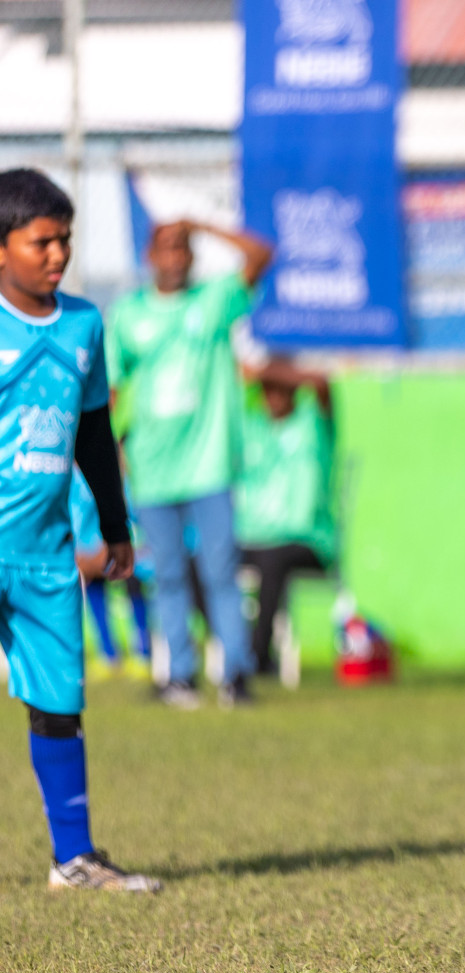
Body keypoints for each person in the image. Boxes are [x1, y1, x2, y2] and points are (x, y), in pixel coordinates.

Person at [0, 168, 160, 891]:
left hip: (44, 557)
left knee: (60, 704)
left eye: (65, 239)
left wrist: (117, 524)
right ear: (2, 248)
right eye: (42, 242)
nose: (58, 253)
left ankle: (76, 860)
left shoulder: (84, 325)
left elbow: (93, 433)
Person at [107, 219, 273, 707]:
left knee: (221, 572)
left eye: (184, 249)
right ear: (149, 256)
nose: (175, 258)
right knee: (168, 576)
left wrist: (201, 224)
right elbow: (112, 388)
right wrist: (108, 452)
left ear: (193, 258)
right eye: (166, 249)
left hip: (209, 465)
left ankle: (235, 675)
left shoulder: (214, 301)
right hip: (153, 468)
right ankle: (179, 676)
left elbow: (261, 254)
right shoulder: (128, 315)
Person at [235, 358, 336, 678]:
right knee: (202, 559)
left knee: (272, 559)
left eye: (281, 390)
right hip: (252, 537)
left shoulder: (312, 424)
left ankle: (258, 657)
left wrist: (264, 371)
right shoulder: (252, 427)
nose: (273, 398)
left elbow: (322, 383)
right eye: (267, 391)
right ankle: (235, 641)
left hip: (307, 540)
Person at [69, 468, 151, 679]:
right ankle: (108, 652)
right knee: (96, 590)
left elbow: (131, 513)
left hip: (118, 545)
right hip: (87, 550)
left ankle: (143, 651)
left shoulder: (119, 479)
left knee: (133, 586)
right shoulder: (74, 479)